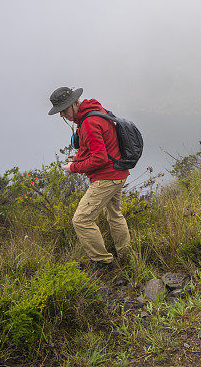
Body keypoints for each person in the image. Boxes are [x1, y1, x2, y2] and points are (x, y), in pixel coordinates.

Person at [48, 86, 131, 275]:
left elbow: (100, 158)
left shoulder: (89, 122)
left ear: (76, 103)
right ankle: (126, 256)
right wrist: (79, 157)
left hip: (106, 177)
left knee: (81, 219)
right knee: (114, 215)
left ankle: (102, 262)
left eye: (65, 109)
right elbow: (103, 148)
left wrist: (73, 168)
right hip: (118, 172)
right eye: (60, 111)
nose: (63, 115)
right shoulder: (95, 112)